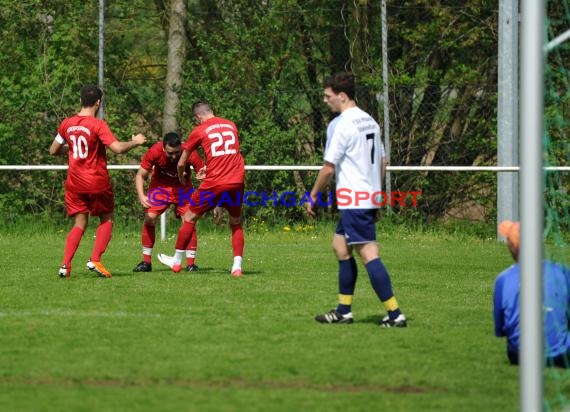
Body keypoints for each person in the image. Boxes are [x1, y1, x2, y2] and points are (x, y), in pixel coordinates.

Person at [306, 72, 406, 327]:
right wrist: (377, 196)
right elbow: (382, 162)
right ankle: (343, 311)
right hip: (366, 196)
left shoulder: (342, 124)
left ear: (342, 96)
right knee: (340, 247)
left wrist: (313, 195)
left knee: (369, 253)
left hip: (355, 200)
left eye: (328, 96)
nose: (325, 100)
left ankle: (395, 315)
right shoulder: (369, 120)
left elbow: (328, 168)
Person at [49, 85, 147, 278]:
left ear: (80, 101)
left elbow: (53, 150)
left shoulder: (66, 124)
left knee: (80, 222)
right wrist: (136, 142)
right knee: (107, 218)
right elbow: (117, 148)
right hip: (95, 180)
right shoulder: (97, 125)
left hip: (74, 183)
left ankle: (65, 265)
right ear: (98, 103)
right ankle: (95, 259)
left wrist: (71, 149)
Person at [158, 100, 246, 276]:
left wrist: (182, 175)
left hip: (214, 183)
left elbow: (182, 161)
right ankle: (237, 266)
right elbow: (227, 153)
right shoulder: (231, 125)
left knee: (189, 217)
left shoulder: (199, 130)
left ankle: (176, 261)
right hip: (236, 179)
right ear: (212, 110)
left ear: (198, 117)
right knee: (235, 222)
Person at [494, 220, 570, 367]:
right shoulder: (562, 272)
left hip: (520, 355)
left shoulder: (503, 279)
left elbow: (501, 329)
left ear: (512, 247)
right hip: (562, 355)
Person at [132, 132, 205, 273]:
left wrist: (201, 194)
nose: (174, 156)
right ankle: (146, 262)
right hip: (160, 188)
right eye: (170, 153)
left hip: (183, 189)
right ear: (163, 148)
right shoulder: (155, 151)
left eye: (177, 153)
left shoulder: (189, 152)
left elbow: (204, 176)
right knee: (149, 219)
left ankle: (191, 264)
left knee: (189, 222)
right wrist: (141, 195)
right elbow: (140, 175)